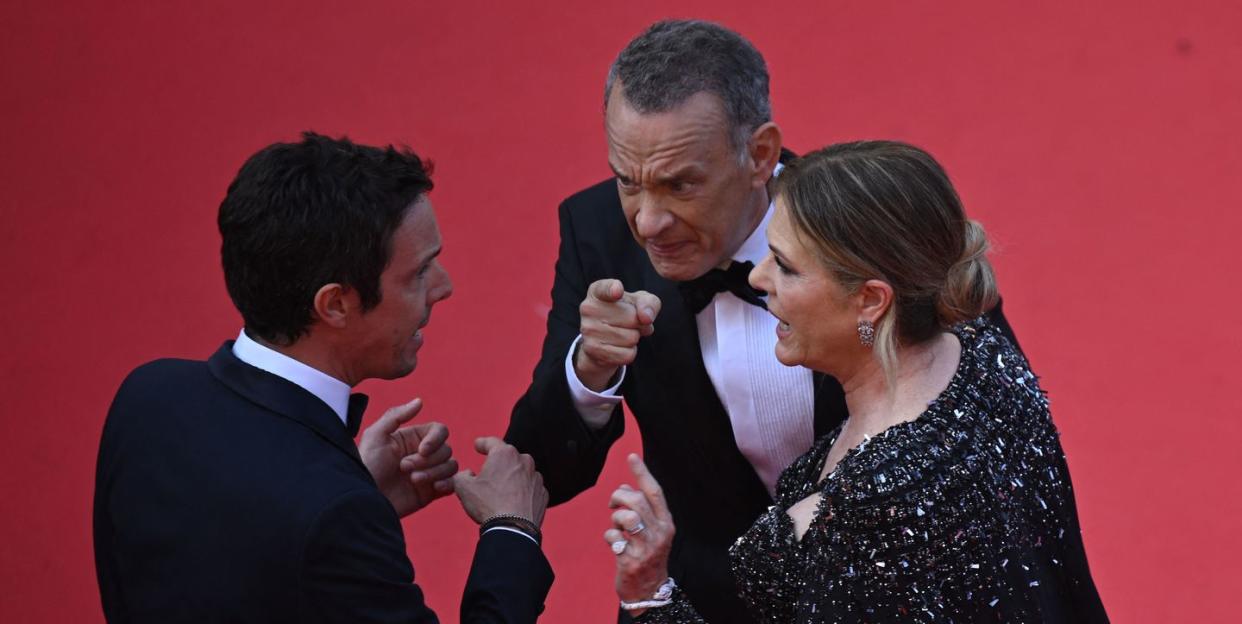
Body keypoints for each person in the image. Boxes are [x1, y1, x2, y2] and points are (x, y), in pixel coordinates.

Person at [505, 21, 1018, 623]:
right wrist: (590, 369)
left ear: (760, 154)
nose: (646, 222)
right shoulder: (596, 234)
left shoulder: (872, 225)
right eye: (627, 180)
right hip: (702, 607)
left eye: (680, 184)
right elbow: (541, 470)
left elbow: (996, 438)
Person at [603, 141, 1108, 622]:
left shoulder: (868, 513)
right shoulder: (985, 355)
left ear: (871, 300)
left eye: (785, 267)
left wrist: (651, 596)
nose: (757, 278)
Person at [94, 132, 553, 623]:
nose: (444, 287)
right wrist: (512, 531)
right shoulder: (331, 512)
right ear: (334, 304)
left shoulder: (147, 397)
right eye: (418, 273)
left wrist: (349, 486)